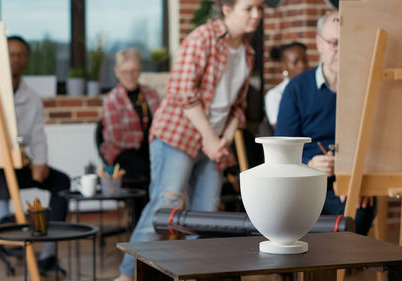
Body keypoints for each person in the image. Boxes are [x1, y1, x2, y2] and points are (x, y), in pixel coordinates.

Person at [115, 0, 263, 280]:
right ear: (227, 9)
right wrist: (209, 138)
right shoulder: (203, 38)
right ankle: (127, 275)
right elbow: (183, 92)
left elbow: (238, 107)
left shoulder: (248, 51)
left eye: (260, 8)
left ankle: (194, 275)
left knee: (206, 217)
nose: (257, 14)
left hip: (213, 144)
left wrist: (222, 141)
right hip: (178, 136)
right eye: (249, 8)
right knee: (165, 206)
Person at [274, 12, 376, 236]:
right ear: (318, 43)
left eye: (347, 42)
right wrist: (309, 164)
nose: (340, 50)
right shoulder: (297, 89)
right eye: (334, 43)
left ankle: (340, 269)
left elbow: (378, 142)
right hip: (305, 181)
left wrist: (361, 178)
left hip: (350, 180)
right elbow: (281, 151)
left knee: (358, 213)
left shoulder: (366, 87)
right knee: (290, 214)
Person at [0, 35, 70, 275]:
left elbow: (38, 135)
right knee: (0, 164)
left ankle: (48, 254)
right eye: (10, 54)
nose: (15, 59)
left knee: (62, 182)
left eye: (20, 54)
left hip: (21, 164)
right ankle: (3, 217)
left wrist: (40, 162)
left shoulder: (32, 98)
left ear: (26, 60)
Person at [100, 48, 160, 180]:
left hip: (152, 148)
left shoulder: (151, 93)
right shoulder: (112, 99)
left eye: (134, 71)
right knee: (143, 169)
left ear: (140, 69)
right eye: (125, 72)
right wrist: (144, 137)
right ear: (117, 72)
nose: (130, 76)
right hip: (123, 151)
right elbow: (115, 137)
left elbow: (163, 123)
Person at [265, 42, 308, 128]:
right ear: (283, 66)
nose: (302, 65)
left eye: (304, 60)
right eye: (295, 62)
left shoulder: (315, 89)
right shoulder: (275, 95)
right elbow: (281, 130)